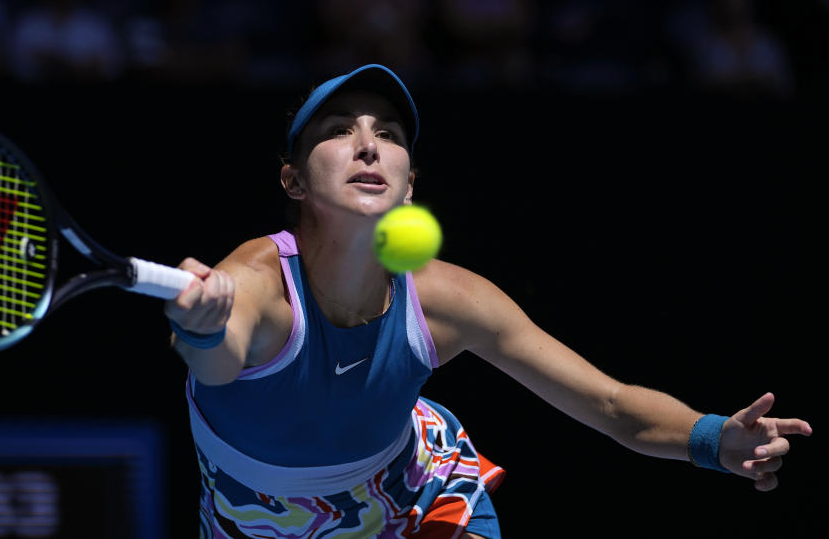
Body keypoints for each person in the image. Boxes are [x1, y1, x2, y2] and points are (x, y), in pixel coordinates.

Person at [163, 64, 812, 538]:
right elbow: (218, 365)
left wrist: (713, 439)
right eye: (339, 131)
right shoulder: (257, 279)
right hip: (255, 521)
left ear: (408, 183)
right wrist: (201, 327)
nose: (368, 145)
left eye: (388, 134)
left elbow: (610, 404)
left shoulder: (446, 299)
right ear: (293, 179)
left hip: (414, 493)